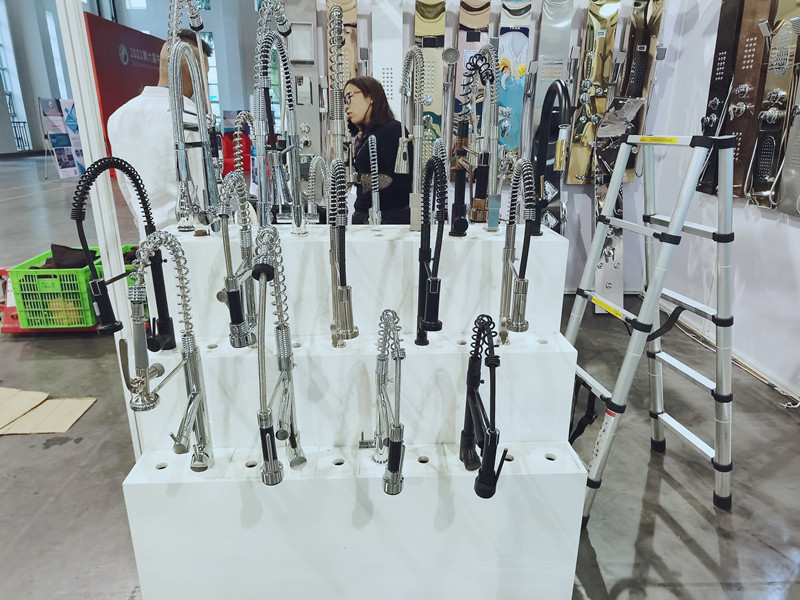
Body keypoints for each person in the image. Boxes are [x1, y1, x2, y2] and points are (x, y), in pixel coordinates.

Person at [107, 30, 212, 238]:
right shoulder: (192, 119)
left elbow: (126, 186)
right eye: (205, 75)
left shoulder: (118, 117)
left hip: (148, 238)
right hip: (193, 240)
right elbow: (205, 195)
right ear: (194, 72)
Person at [345, 77, 411, 225]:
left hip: (385, 221)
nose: (346, 106)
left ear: (370, 97)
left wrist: (356, 178)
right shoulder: (370, 135)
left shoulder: (392, 130)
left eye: (349, 97)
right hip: (369, 218)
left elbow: (400, 182)